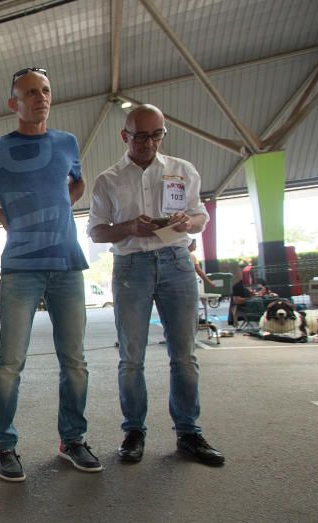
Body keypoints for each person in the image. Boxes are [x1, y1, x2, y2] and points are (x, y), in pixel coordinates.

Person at [0, 66, 96, 481]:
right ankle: (4, 447)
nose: (41, 97)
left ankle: (73, 440)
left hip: (67, 263)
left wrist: (58, 210)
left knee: (75, 361)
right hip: (19, 268)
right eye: (30, 92)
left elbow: (77, 184)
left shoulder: (67, 142)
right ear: (13, 103)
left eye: (46, 90)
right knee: (9, 363)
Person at [88, 104, 224, 467]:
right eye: (141, 136)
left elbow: (200, 218)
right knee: (131, 357)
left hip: (177, 263)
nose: (149, 143)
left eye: (156, 134)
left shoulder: (183, 170)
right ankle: (134, 430)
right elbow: (97, 231)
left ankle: (189, 432)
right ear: (125, 136)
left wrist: (187, 220)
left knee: (185, 355)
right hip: (131, 266)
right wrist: (131, 227)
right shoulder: (109, 179)